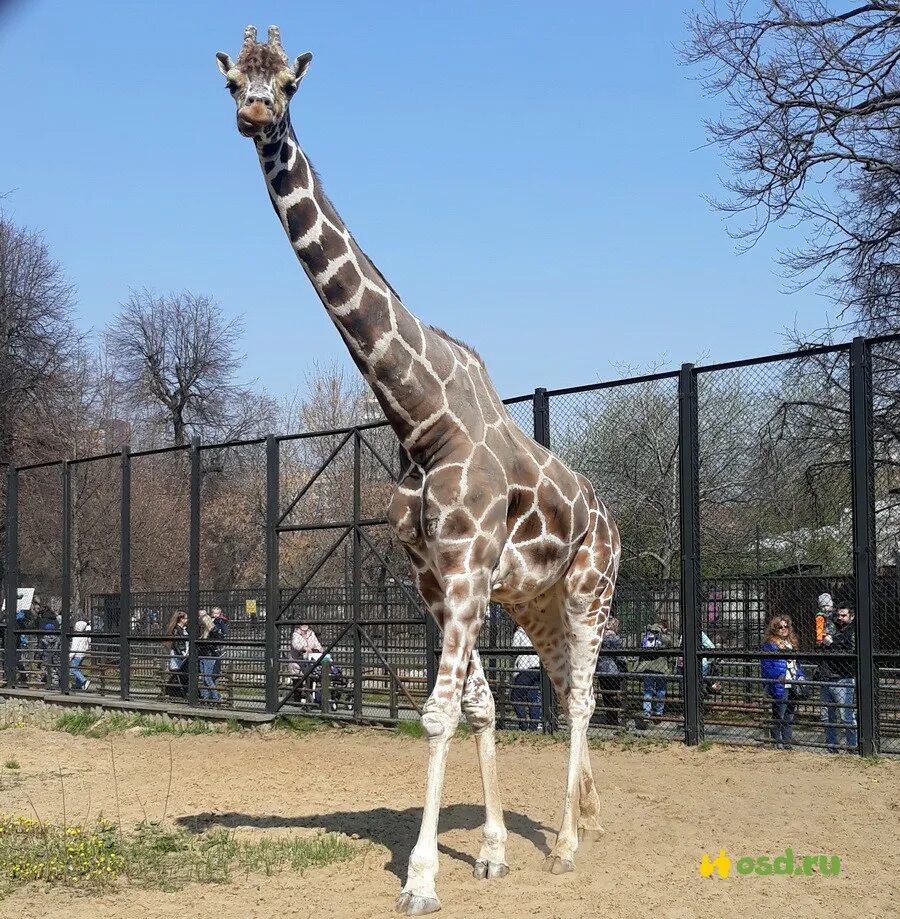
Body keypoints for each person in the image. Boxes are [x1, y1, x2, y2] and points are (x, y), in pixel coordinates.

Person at [760, 615, 806, 750]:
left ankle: (787, 743)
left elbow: (797, 665)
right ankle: (777, 743)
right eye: (780, 627)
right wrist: (778, 677)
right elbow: (767, 666)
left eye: (786, 626)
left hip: (793, 682)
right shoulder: (770, 645)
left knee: (789, 715)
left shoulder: (791, 644)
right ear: (774, 629)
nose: (784, 629)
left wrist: (800, 676)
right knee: (778, 714)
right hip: (780, 684)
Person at [819, 603, 858, 753]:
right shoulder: (830, 625)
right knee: (827, 716)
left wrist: (833, 642)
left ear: (851, 616)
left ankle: (852, 747)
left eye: (844, 615)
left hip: (843, 677)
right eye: (838, 615)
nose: (840, 618)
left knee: (846, 716)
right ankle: (831, 747)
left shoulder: (854, 630)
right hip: (826, 675)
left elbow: (850, 650)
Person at [634, 622, 672, 729]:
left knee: (648, 690)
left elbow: (641, 645)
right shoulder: (664, 637)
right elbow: (671, 643)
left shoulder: (646, 635)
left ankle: (647, 712)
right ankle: (658, 712)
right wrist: (663, 633)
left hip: (647, 668)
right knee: (661, 690)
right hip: (661, 667)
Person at [595, 617, 626, 726]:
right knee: (614, 694)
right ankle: (615, 717)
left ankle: (609, 717)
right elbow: (620, 656)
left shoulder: (600, 638)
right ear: (615, 626)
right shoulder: (616, 639)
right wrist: (624, 667)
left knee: (606, 694)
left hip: (601, 669)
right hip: (613, 670)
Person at [510, 626, 541, 731]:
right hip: (537, 667)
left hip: (525, 669)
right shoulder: (535, 631)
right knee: (533, 697)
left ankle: (523, 724)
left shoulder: (519, 633)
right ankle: (534, 727)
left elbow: (514, 651)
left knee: (516, 697)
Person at [288, 622, 323, 704]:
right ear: (299, 626)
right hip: (297, 661)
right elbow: (295, 644)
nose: (305, 626)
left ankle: (309, 698)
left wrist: (320, 650)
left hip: (309, 660)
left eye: (306, 625)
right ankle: (297, 700)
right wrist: (303, 648)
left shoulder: (311, 634)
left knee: (310, 678)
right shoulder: (296, 634)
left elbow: (317, 643)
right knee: (297, 680)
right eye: (302, 625)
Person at [198, 611, 224, 703]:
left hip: (209, 656)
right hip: (202, 655)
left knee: (208, 678)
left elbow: (215, 643)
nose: (201, 624)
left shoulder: (213, 630)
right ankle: (205, 698)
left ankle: (215, 697)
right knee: (204, 678)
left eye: (202, 622)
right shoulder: (203, 631)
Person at [164, 610, 189, 699]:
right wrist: (181, 654)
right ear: (181, 619)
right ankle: (169, 690)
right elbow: (176, 644)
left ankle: (178, 691)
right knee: (177, 673)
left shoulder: (183, 629)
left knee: (180, 673)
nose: (187, 620)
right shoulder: (176, 630)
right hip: (178, 655)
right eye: (186, 618)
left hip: (183, 654)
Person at [69, 616, 92, 691]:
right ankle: (78, 684)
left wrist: (70, 656)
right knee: (77, 668)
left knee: (73, 669)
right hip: (83, 653)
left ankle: (84, 681)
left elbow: (74, 648)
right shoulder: (85, 635)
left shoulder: (76, 636)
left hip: (77, 654)